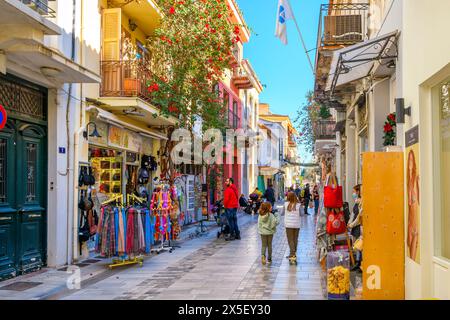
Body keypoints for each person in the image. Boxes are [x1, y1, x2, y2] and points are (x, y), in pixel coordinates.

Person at [407, 150, 419, 262]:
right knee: (410, 241)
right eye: (409, 160)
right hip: (410, 215)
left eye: (412, 160)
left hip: (415, 214)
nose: (410, 162)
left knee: (415, 235)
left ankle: (413, 264)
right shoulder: (407, 179)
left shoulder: (415, 178)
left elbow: (418, 198)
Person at [348, 184, 363, 272]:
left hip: (359, 226)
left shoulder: (361, 202)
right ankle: (358, 263)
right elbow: (354, 214)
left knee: (359, 246)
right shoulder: (357, 201)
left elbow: (358, 217)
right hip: (356, 226)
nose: (353, 193)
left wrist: (352, 224)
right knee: (357, 245)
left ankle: (359, 263)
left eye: (354, 191)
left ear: (358, 191)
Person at [284, 192, 301, 264]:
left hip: (288, 225)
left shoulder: (285, 204)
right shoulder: (299, 205)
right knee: (295, 239)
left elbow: (282, 213)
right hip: (296, 225)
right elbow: (302, 214)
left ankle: (292, 254)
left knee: (290, 240)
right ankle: (293, 254)